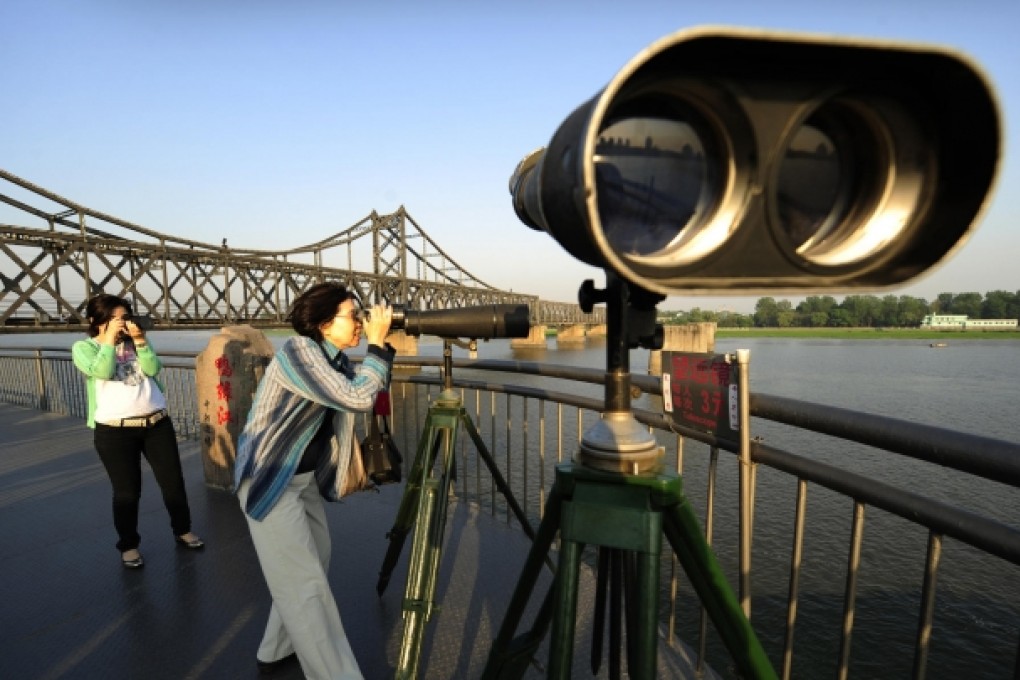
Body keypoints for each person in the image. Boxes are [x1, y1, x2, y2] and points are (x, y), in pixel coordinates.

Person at [234, 281, 394, 679]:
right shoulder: (299, 353)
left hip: (302, 480)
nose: (359, 322)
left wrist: (380, 346)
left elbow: (368, 388)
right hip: (270, 481)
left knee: (314, 560)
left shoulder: (334, 359)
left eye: (360, 316)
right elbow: (358, 398)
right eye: (352, 316)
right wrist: (375, 346)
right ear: (323, 323)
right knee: (307, 589)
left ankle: (276, 647)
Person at [71, 294, 203, 569]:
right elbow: (104, 372)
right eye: (116, 318)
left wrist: (140, 341)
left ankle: (183, 530)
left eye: (125, 317)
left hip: (156, 423)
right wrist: (108, 341)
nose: (122, 324)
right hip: (114, 430)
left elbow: (154, 368)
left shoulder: (136, 341)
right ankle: (128, 545)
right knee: (127, 492)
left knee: (173, 483)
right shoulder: (83, 347)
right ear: (96, 321)